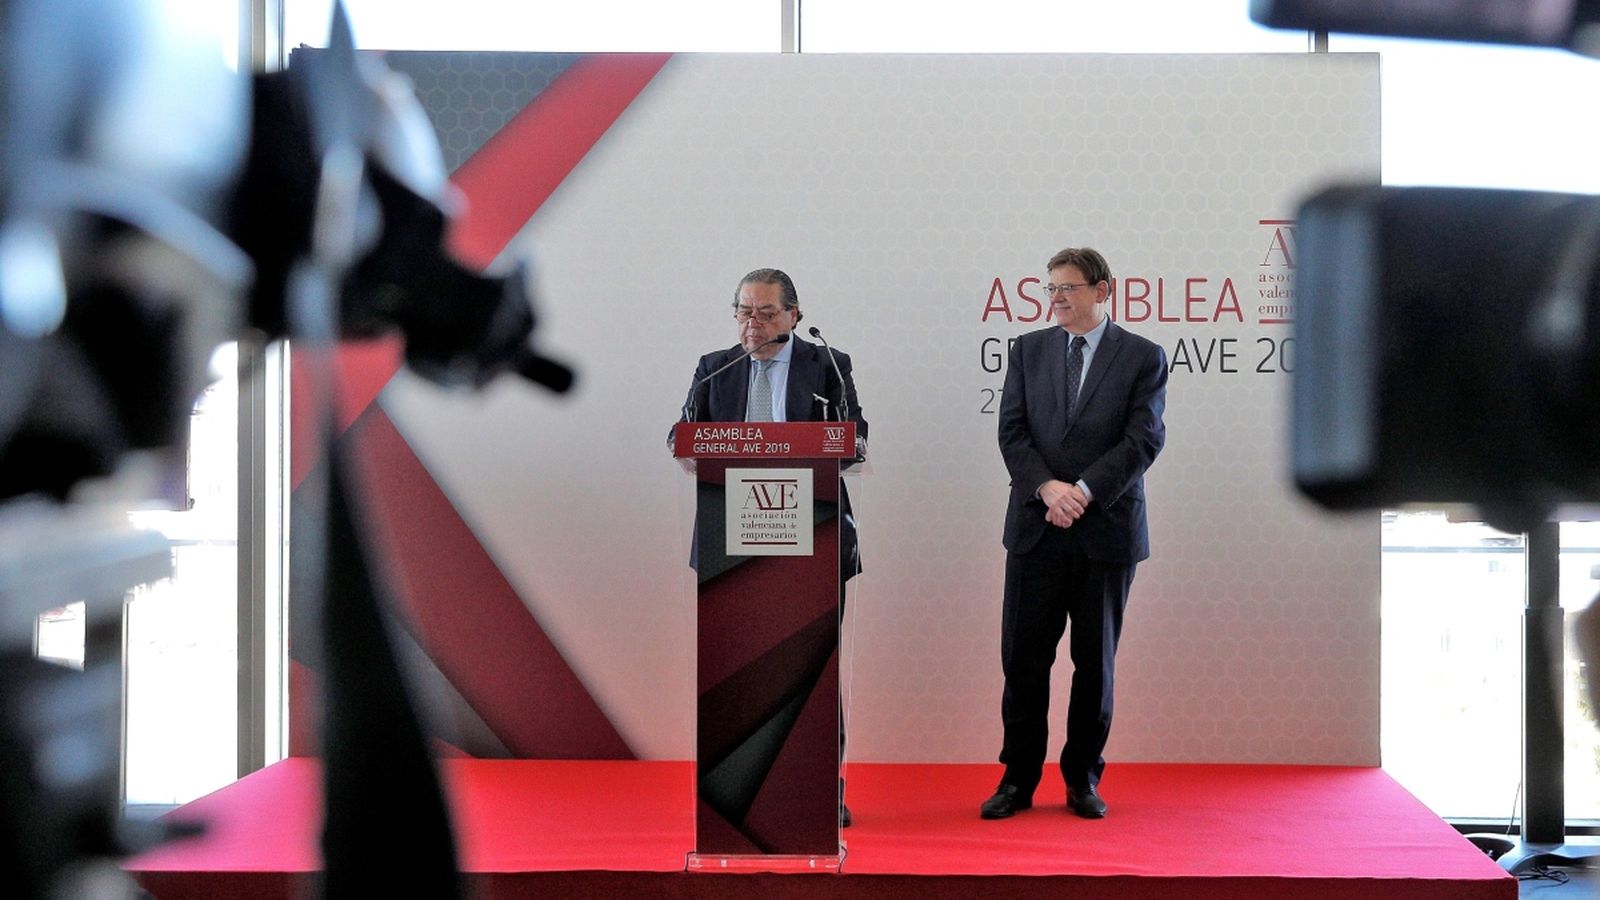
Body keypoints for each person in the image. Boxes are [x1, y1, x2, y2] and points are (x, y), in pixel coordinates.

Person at [676, 267, 867, 828]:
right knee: (736, 670)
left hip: (815, 533)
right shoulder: (716, 367)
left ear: (793, 317)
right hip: (730, 542)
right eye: (741, 311)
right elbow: (682, 437)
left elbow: (856, 440)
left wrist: (831, 444)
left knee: (812, 670)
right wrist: (683, 446)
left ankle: (819, 786)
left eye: (763, 313)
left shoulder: (827, 365)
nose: (750, 324)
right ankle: (733, 789)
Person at [981, 247, 1167, 821]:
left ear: (1103, 291)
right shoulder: (1028, 349)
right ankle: (1017, 779)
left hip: (1105, 529)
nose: (1056, 299)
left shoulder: (1142, 356)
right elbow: (1012, 432)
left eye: (1068, 289)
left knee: (1095, 663)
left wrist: (1082, 492)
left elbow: (1144, 440)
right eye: (1050, 289)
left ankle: (1082, 778)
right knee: (1024, 660)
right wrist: (1048, 490)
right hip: (1037, 528)